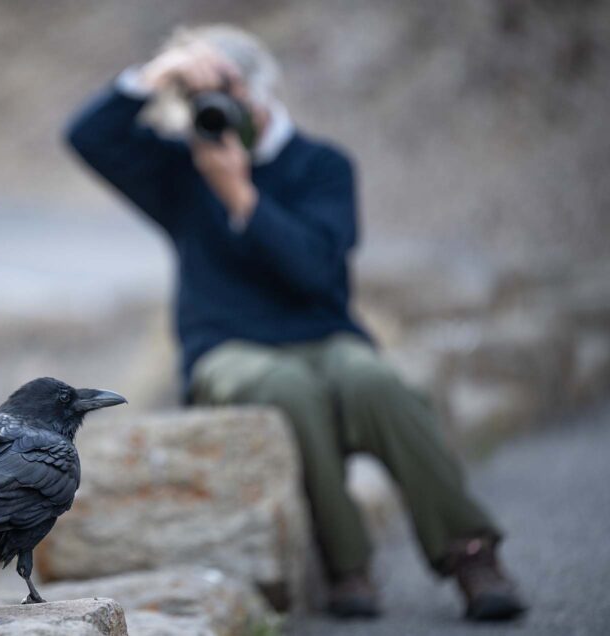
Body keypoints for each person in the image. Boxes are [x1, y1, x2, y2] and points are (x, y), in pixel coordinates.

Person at [64, 24, 526, 622]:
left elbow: (314, 271)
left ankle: (472, 554)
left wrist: (241, 197)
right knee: (287, 391)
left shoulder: (323, 166)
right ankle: (346, 565)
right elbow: (86, 137)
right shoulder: (181, 169)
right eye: (205, 98)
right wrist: (161, 72)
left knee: (378, 383)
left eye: (232, 93)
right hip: (226, 347)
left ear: (263, 92)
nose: (220, 111)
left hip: (324, 334)